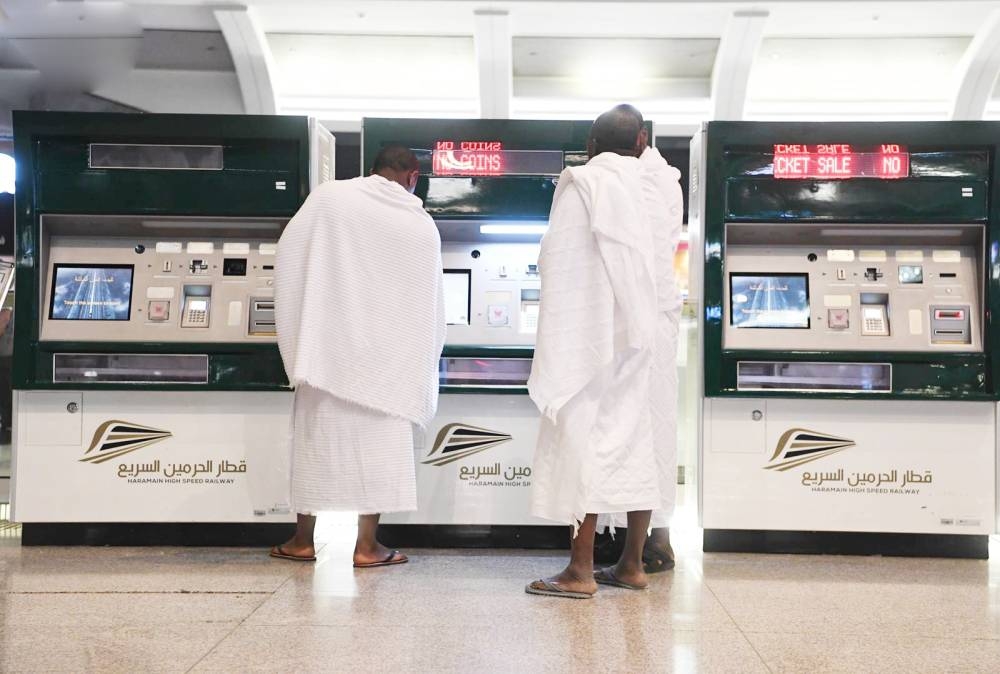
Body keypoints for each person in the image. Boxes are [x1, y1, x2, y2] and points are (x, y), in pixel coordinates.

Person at [525, 104, 683, 598]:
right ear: (641, 142)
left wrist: (565, 341)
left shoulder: (586, 183)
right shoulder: (660, 185)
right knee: (641, 441)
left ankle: (580, 570)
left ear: (591, 147)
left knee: (587, 439)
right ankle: (632, 565)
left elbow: (564, 263)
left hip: (599, 334)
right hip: (650, 333)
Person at [270, 144, 446, 568]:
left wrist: (306, 330)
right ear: (413, 177)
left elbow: (288, 257)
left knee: (315, 449)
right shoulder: (418, 223)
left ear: (372, 170)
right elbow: (428, 302)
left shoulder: (330, 198)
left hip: (327, 352)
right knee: (378, 455)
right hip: (387, 362)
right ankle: (367, 547)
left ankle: (302, 541)